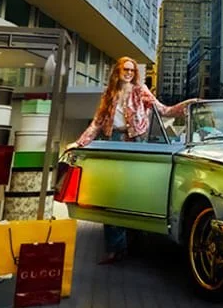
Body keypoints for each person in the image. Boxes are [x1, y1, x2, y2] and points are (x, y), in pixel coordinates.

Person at [70, 56, 191, 264]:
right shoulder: (109, 94)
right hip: (112, 140)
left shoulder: (140, 90)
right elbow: (97, 122)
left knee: (133, 193)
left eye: (132, 70)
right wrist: (79, 143)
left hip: (135, 141)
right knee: (109, 194)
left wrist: (186, 106)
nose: (128, 73)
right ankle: (114, 248)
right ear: (117, 71)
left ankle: (133, 244)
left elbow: (163, 111)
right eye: (125, 69)